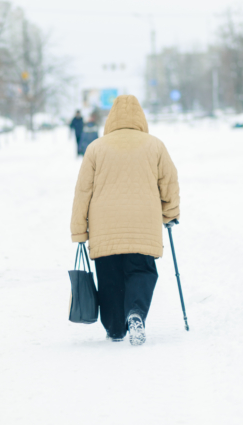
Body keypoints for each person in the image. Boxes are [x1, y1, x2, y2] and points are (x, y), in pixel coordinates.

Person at [70, 95, 180, 346]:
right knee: (141, 270)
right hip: (144, 223)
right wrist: (170, 213)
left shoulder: (96, 148)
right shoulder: (155, 146)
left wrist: (79, 230)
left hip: (104, 227)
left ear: (111, 119)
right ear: (141, 118)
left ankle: (115, 328)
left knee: (109, 277)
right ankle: (136, 313)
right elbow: (169, 183)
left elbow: (82, 191)